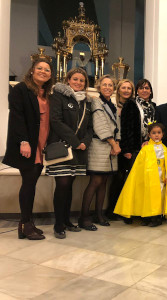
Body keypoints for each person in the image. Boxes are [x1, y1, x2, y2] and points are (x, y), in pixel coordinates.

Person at [3, 58, 54, 240]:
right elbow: (17, 116)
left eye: (47, 70)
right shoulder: (21, 89)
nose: (43, 71)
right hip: (29, 143)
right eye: (39, 68)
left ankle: (27, 223)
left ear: (50, 75)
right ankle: (26, 223)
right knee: (29, 183)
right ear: (32, 71)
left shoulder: (47, 93)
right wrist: (23, 141)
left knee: (31, 183)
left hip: (42, 143)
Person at [46, 68, 93, 239]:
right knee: (62, 185)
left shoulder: (87, 102)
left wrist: (84, 143)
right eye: (75, 79)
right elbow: (55, 121)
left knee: (70, 184)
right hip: (62, 148)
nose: (78, 83)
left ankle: (66, 220)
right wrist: (75, 141)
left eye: (82, 80)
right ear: (68, 80)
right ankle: (58, 224)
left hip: (79, 150)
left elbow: (89, 127)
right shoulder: (58, 96)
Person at [114, 122, 167, 227]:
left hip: (160, 177)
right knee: (147, 196)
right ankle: (147, 216)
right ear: (149, 135)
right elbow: (139, 165)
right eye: (153, 133)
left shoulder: (165, 150)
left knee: (159, 197)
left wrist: (166, 176)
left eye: (159, 133)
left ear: (162, 134)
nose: (156, 135)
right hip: (149, 177)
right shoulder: (145, 149)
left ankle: (157, 218)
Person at [79, 75, 121, 230]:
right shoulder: (96, 102)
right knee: (95, 182)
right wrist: (112, 143)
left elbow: (117, 126)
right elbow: (100, 125)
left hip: (110, 147)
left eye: (111, 85)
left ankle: (99, 214)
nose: (108, 87)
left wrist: (117, 143)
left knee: (103, 182)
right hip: (99, 145)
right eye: (105, 85)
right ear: (99, 87)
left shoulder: (111, 104)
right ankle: (84, 217)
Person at [105, 79, 135, 220]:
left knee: (126, 180)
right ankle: (111, 210)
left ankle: (123, 210)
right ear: (118, 89)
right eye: (124, 87)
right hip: (113, 147)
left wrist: (127, 148)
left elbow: (131, 130)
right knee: (116, 180)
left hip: (127, 148)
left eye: (129, 88)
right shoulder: (112, 105)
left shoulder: (134, 106)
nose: (126, 90)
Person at [120, 79, 156, 160]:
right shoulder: (130, 104)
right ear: (137, 91)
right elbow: (124, 128)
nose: (144, 90)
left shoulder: (154, 106)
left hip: (151, 146)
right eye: (141, 88)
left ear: (150, 91)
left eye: (147, 88)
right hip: (134, 149)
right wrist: (126, 149)